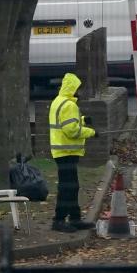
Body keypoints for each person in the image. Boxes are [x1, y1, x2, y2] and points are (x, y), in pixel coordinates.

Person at [49, 73, 97, 233]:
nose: (79, 92)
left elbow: (66, 122)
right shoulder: (70, 105)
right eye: (78, 89)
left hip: (61, 151)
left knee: (72, 186)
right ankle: (59, 220)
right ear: (73, 89)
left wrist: (82, 120)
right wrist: (91, 132)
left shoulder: (59, 101)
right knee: (68, 187)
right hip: (67, 151)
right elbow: (71, 130)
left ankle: (75, 218)